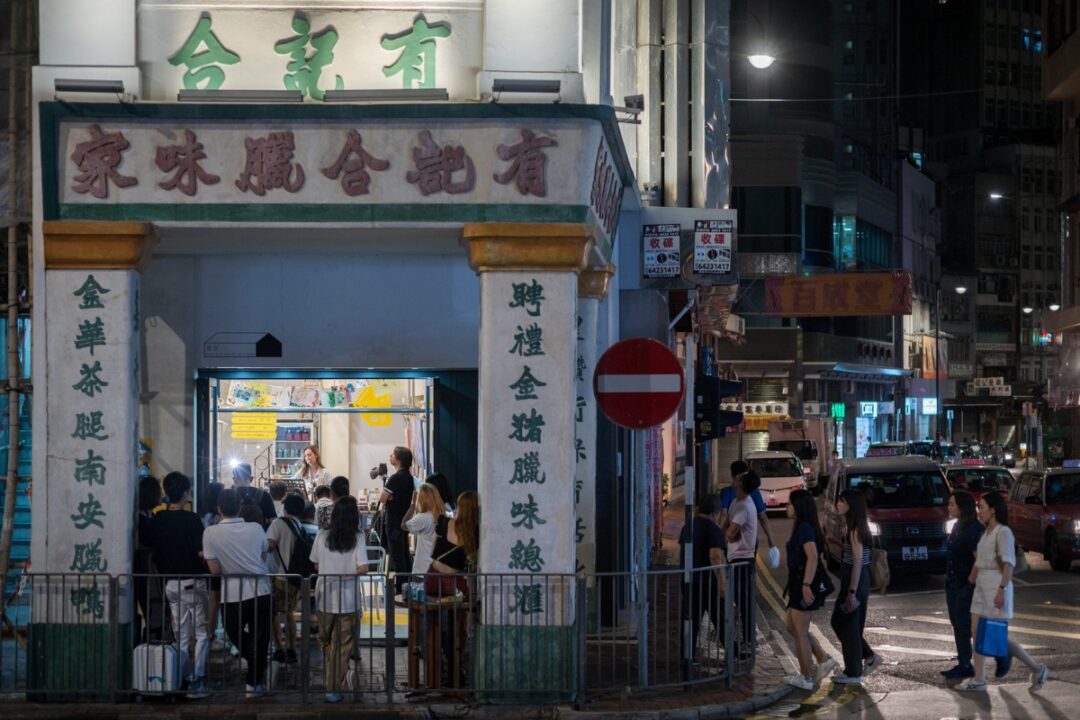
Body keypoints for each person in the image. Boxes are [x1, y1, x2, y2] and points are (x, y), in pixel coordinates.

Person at [957, 491, 1050, 692]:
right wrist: (968, 583)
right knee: (977, 633)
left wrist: (1001, 590)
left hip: (995, 587)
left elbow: (1008, 564)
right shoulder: (987, 531)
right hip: (981, 588)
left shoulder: (1003, 532)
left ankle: (1037, 668)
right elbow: (979, 561)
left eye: (981, 507)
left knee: (993, 635)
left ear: (993, 510)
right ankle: (979, 678)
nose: (978, 511)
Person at [202, 488, 273, 698]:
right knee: (260, 638)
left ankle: (254, 677)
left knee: (235, 633)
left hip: (231, 593)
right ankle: (254, 682)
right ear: (240, 506)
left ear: (219, 508)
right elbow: (262, 557)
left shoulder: (210, 532)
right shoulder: (256, 529)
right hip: (260, 589)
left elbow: (214, 570)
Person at [145, 472, 211, 697]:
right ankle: (198, 679)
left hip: (170, 584)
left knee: (181, 634)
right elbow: (201, 552)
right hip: (192, 581)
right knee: (201, 633)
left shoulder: (158, 519)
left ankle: (181, 678)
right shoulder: (191, 519)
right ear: (185, 493)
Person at [309, 497, 371, 703]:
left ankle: (333, 686)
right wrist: (345, 572)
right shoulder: (358, 537)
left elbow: (315, 564)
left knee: (324, 640)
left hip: (324, 597)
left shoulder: (322, 535)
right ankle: (342, 677)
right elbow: (363, 567)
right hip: (349, 600)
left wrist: (331, 570)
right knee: (342, 645)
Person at [782, 489, 836, 690]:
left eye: (790, 503)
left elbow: (812, 557)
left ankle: (806, 678)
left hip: (803, 583)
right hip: (799, 582)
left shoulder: (804, 528)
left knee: (800, 632)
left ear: (799, 507)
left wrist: (805, 585)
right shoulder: (802, 526)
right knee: (791, 625)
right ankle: (822, 659)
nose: (787, 507)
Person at [830, 489, 882, 684]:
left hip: (856, 581)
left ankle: (854, 672)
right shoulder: (854, 527)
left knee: (848, 625)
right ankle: (868, 657)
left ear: (850, 505)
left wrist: (851, 591)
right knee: (843, 623)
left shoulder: (855, 530)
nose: (838, 504)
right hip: (857, 580)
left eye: (841, 501)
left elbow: (858, 561)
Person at [678, 493, 726, 666]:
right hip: (706, 582)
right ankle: (733, 653)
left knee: (691, 618)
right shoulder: (713, 528)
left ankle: (687, 655)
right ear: (716, 512)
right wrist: (721, 581)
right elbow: (715, 556)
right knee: (720, 618)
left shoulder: (688, 526)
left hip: (689, 579)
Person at [941, 490, 983, 680]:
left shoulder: (973, 529)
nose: (949, 507)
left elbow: (979, 559)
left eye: (952, 504)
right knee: (958, 624)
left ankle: (968, 663)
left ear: (962, 507)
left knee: (965, 625)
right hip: (953, 582)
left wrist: (969, 583)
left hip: (965, 585)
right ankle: (964, 663)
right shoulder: (958, 525)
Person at [267, 492, 307, 665]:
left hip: (279, 576)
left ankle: (279, 649)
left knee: (273, 614)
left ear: (285, 507)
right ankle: (291, 649)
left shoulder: (278, 523)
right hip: (293, 576)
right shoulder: (299, 525)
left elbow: (269, 545)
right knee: (289, 614)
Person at [723, 471, 760, 659]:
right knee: (739, 601)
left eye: (738, 477)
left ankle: (748, 642)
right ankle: (744, 640)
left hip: (742, 560)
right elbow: (726, 526)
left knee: (744, 603)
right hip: (735, 558)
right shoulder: (736, 502)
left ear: (741, 483)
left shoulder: (744, 507)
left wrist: (723, 536)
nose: (734, 479)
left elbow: (730, 532)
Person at [719, 460, 778, 561]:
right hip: (749, 544)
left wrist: (721, 536)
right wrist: (771, 541)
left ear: (734, 476)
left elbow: (723, 515)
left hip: (734, 547)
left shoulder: (727, 493)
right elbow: (762, 517)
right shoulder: (754, 492)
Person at [379, 446, 416, 594]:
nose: (390, 456)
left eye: (393, 455)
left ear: (399, 459)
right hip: (404, 520)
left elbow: (382, 498)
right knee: (404, 554)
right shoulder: (409, 477)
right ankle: (407, 583)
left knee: (397, 555)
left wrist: (389, 498)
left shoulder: (395, 478)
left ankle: (400, 587)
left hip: (393, 522)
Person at [403, 483, 446, 580]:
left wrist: (413, 505)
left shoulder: (422, 518)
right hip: (440, 569)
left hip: (422, 570)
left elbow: (403, 525)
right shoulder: (444, 516)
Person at [232, 463, 276, 529]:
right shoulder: (264, 495)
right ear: (251, 478)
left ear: (234, 479)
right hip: (259, 537)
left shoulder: (229, 496)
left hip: (234, 537)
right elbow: (272, 521)